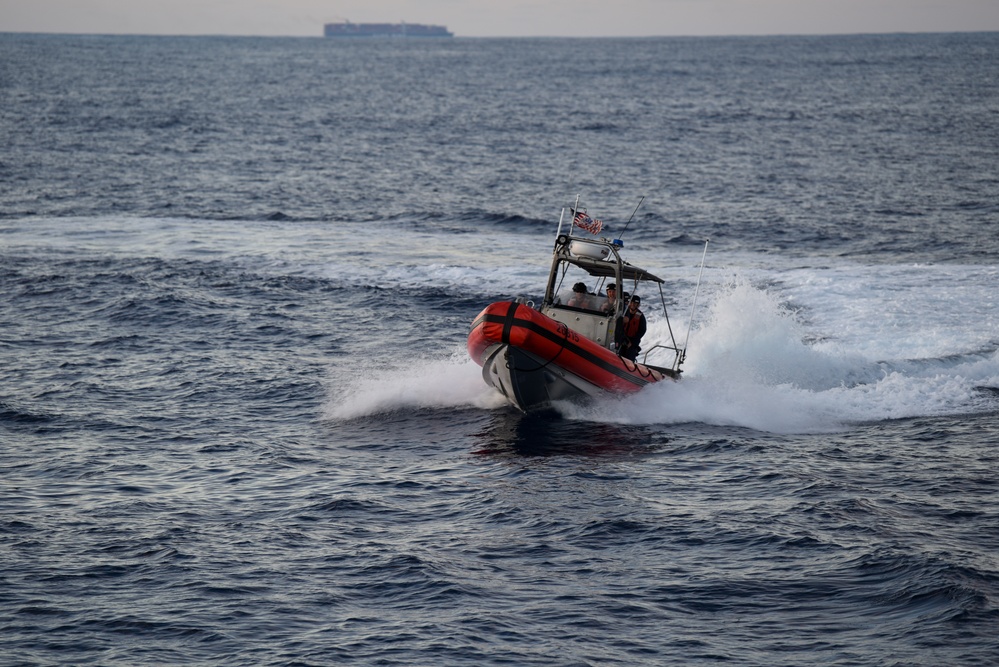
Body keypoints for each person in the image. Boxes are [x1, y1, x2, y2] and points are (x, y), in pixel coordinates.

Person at [616, 295, 647, 361]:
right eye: (631, 302)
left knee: (629, 356)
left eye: (635, 303)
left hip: (633, 341)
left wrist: (632, 342)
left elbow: (642, 330)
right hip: (622, 339)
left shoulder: (640, 316)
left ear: (638, 305)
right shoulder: (623, 313)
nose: (633, 304)